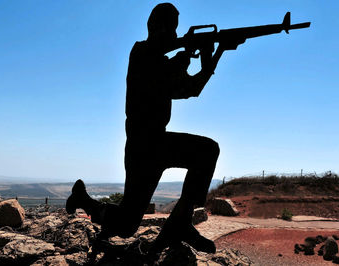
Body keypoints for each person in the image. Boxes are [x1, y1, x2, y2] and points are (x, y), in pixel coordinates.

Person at [66, 3, 244, 254]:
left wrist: (216, 54)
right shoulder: (140, 53)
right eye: (170, 29)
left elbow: (192, 89)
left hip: (157, 142)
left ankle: (180, 224)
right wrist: (188, 53)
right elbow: (161, 76)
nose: (174, 35)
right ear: (154, 27)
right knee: (127, 225)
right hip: (142, 144)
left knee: (206, 151)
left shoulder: (164, 61)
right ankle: (84, 200)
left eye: (175, 30)